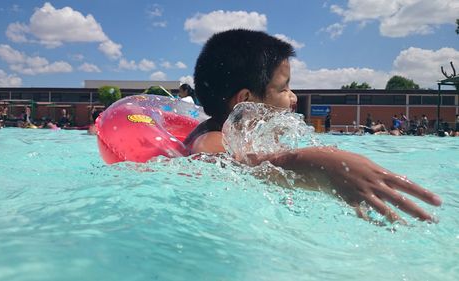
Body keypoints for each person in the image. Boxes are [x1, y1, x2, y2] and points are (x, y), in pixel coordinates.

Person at [185, 29, 441, 223]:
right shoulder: (211, 139)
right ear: (246, 101)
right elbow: (223, 162)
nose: (293, 97)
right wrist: (321, 162)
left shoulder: (245, 136)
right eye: (284, 87)